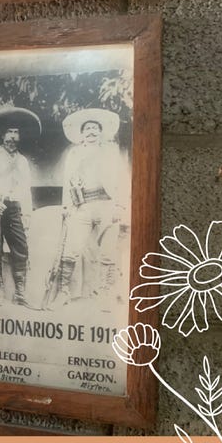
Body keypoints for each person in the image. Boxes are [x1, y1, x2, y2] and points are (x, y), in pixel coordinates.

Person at [52, 108, 130, 310]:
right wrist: (66, 207)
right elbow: (67, 181)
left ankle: (104, 293)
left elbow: (122, 180)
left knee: (107, 252)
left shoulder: (111, 152)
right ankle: (64, 292)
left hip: (106, 204)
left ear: (101, 132)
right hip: (82, 206)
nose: (92, 131)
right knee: (71, 251)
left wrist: (120, 206)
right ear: (82, 132)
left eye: (96, 128)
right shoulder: (74, 153)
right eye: (88, 128)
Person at [0, 107, 42, 307]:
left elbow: (25, 188)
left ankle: (20, 292)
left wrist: (27, 213)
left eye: (16, 132)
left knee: (21, 246)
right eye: (9, 132)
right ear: (2, 135)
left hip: (13, 207)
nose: (13, 136)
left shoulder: (21, 161)